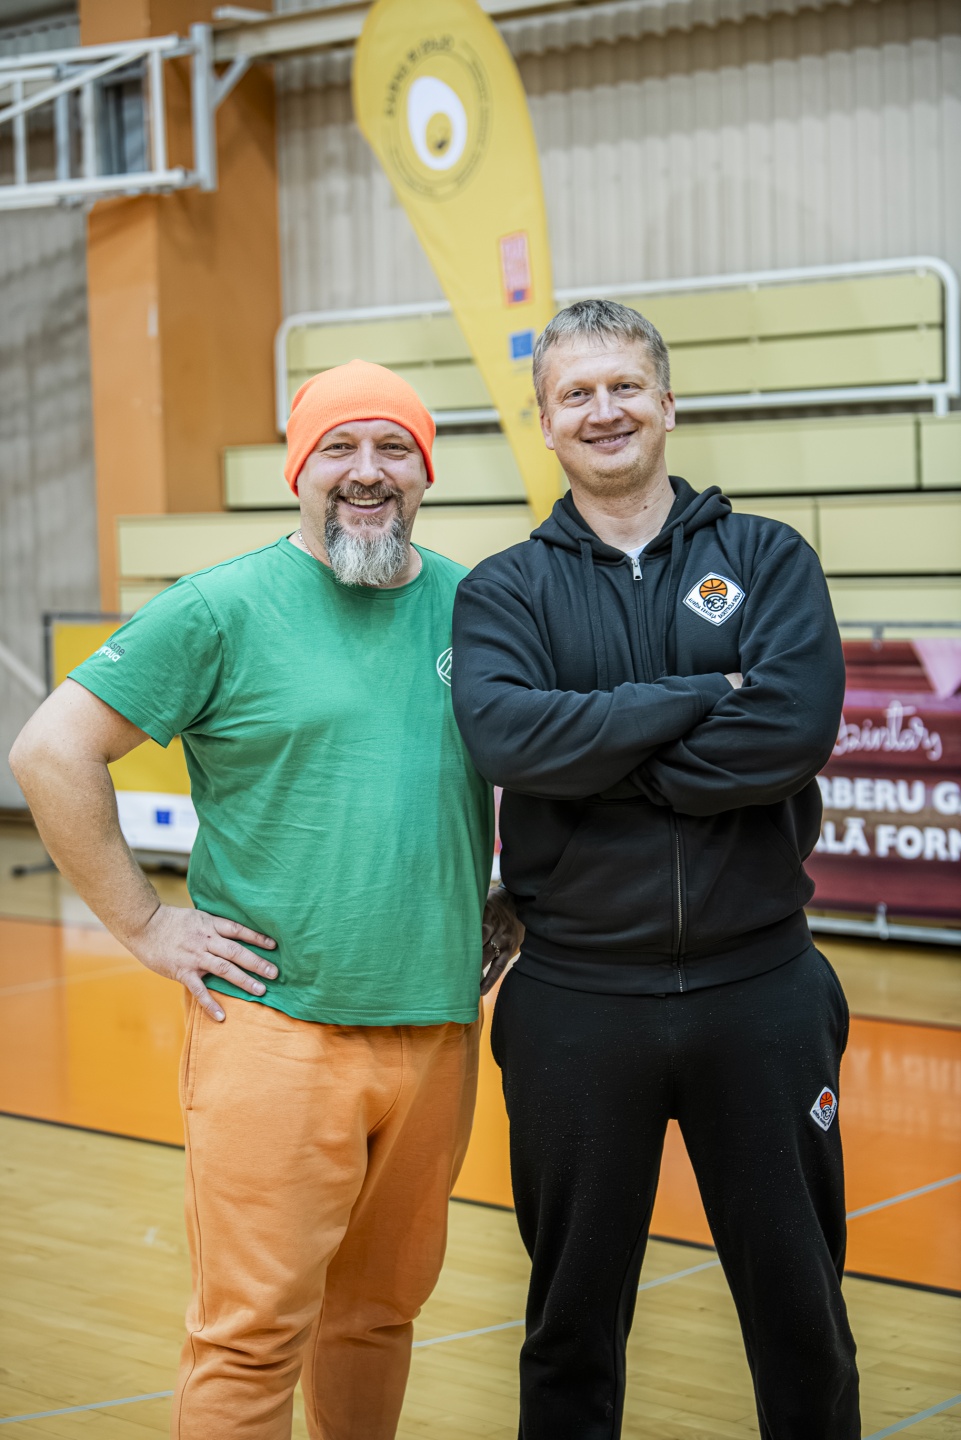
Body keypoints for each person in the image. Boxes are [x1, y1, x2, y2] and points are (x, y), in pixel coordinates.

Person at [10, 358, 521, 1440]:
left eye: (394, 448)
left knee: (379, 1318)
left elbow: (536, 758)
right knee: (249, 1338)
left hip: (437, 1028)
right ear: (298, 469)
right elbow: (51, 751)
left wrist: (514, 885)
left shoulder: (478, 604)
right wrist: (146, 924)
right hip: (276, 1031)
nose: (367, 471)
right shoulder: (221, 607)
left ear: (425, 472)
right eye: (339, 448)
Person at [451, 300, 859, 1439]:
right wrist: (699, 697)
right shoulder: (503, 590)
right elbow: (507, 741)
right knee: (570, 1329)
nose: (604, 410)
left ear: (667, 404)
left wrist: (596, 751)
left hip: (761, 991)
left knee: (803, 1320)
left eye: (624, 386)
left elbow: (790, 732)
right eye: (575, 394)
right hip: (576, 1003)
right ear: (544, 424)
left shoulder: (766, 558)